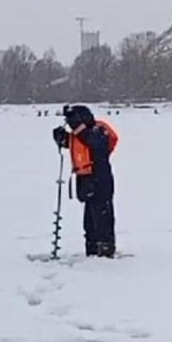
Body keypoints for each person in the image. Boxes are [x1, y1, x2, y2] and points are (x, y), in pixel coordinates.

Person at [52, 105, 119, 258]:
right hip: (85, 179)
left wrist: (77, 127)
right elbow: (77, 144)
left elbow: (93, 142)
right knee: (89, 219)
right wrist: (61, 138)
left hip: (100, 177)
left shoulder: (100, 130)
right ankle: (92, 248)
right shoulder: (80, 135)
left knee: (102, 214)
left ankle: (105, 248)